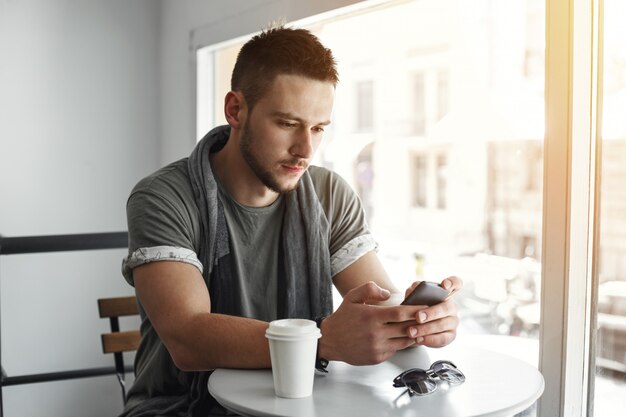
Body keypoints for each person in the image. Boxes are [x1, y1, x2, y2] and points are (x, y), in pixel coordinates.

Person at [120, 25, 462, 417]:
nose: (305, 149)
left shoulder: (329, 193)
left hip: (298, 405)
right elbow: (188, 340)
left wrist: (419, 320)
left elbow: (381, 308)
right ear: (235, 110)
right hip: (180, 409)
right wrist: (322, 340)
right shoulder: (163, 197)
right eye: (287, 124)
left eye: (318, 128)